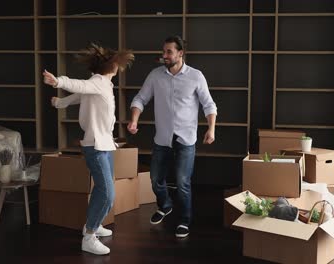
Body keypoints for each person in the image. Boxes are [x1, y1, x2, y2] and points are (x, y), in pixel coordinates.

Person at [43, 43, 134, 255]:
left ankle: (93, 224)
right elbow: (80, 87)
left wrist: (60, 103)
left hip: (105, 144)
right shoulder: (98, 82)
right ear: (112, 66)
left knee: (101, 189)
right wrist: (58, 81)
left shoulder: (104, 85)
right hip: (95, 146)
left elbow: (80, 95)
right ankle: (89, 237)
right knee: (108, 194)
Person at [127, 36, 217, 238]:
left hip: (186, 139)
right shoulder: (156, 75)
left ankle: (184, 220)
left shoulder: (196, 76)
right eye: (164, 51)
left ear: (180, 53)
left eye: (169, 52)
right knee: (155, 179)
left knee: (182, 181)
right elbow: (140, 98)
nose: (164, 56)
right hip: (163, 138)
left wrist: (211, 128)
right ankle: (165, 205)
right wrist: (134, 119)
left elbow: (209, 104)